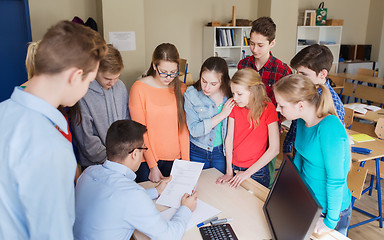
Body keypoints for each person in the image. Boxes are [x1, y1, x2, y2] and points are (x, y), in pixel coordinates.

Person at [0, 20, 107, 239]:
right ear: (75, 76)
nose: (87, 89)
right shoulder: (50, 145)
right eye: (89, 80)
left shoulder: (3, 112)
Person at [74, 120, 197, 240]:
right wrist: (186, 208)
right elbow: (169, 236)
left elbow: (117, 197)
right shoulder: (132, 194)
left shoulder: (88, 173)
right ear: (135, 154)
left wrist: (156, 191)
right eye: (144, 149)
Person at [273, 74, 352, 236]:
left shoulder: (330, 128)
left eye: (281, 105)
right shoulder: (301, 121)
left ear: (300, 105)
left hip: (332, 211)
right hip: (310, 203)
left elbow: (336, 179)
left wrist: (330, 221)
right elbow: (299, 162)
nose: (277, 109)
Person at [129, 43, 189, 183]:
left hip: (176, 159)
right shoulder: (139, 89)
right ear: (154, 66)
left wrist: (186, 164)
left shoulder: (181, 88)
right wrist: (153, 167)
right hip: (148, 160)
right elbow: (140, 131)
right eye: (163, 71)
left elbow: (183, 128)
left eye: (173, 72)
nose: (168, 77)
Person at [216, 68, 280, 188]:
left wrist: (247, 173)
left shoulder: (269, 109)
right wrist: (229, 171)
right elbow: (229, 139)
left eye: (239, 94)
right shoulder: (234, 106)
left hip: (256, 172)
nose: (235, 98)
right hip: (234, 168)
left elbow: (274, 149)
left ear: (253, 91)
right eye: (233, 93)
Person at [282, 44, 345, 162]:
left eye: (304, 74)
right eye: (297, 72)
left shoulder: (333, 104)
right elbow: (295, 126)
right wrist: (287, 149)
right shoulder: (305, 92)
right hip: (298, 158)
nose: (298, 78)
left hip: (313, 166)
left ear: (322, 74)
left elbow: (332, 150)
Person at [72, 44, 129, 168]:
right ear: (95, 70)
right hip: (95, 165)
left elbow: (126, 122)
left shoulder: (120, 87)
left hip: (121, 162)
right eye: (108, 78)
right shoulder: (83, 93)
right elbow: (86, 139)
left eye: (117, 77)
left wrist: (124, 156)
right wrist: (112, 160)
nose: (113, 83)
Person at [184, 57, 235, 173]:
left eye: (213, 84)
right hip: (197, 150)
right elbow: (194, 130)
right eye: (203, 81)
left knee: (219, 188)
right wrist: (222, 115)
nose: (206, 87)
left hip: (221, 153)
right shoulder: (191, 94)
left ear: (223, 80)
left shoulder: (232, 95)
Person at [237, 16, 292, 106]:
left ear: (272, 43)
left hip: (271, 119)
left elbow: (288, 104)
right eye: (252, 44)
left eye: (260, 45)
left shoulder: (283, 71)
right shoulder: (243, 64)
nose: (254, 49)